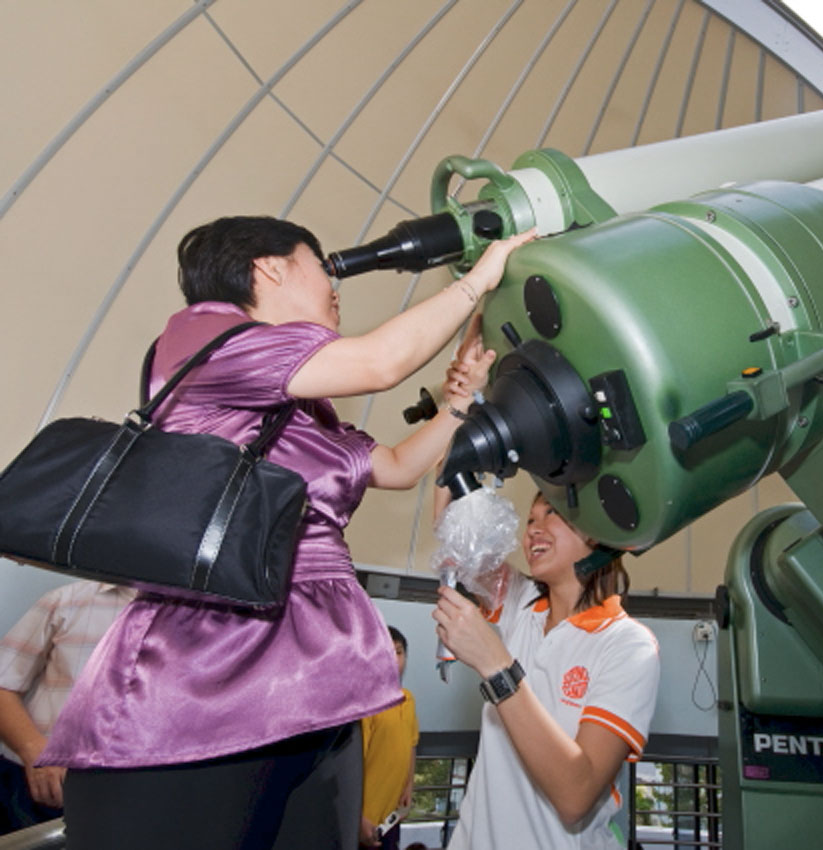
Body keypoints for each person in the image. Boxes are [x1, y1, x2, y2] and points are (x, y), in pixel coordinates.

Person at [36, 215, 534, 850]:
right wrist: (481, 277)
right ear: (269, 268)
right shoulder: (204, 337)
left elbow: (397, 467)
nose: (335, 285)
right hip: (208, 673)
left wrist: (460, 400)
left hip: (319, 680)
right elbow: (381, 362)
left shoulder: (303, 406)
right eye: (320, 266)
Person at [432, 483, 661, 849]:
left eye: (552, 513)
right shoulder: (521, 604)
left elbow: (576, 795)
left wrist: (498, 668)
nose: (533, 531)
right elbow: (458, 538)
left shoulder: (627, 644)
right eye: (530, 520)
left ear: (596, 530)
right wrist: (451, 467)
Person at [0, 580, 134, 834]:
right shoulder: (66, 601)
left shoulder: (204, 617)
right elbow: (2, 686)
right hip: (36, 793)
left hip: (141, 798)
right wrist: (35, 751)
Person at [359, 626, 419, 850]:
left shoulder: (408, 700)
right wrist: (356, 817)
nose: (394, 659)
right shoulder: (364, 703)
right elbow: (351, 768)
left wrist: (408, 786)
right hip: (363, 822)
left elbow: (411, 745)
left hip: (391, 817)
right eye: (386, 652)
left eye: (399, 652)